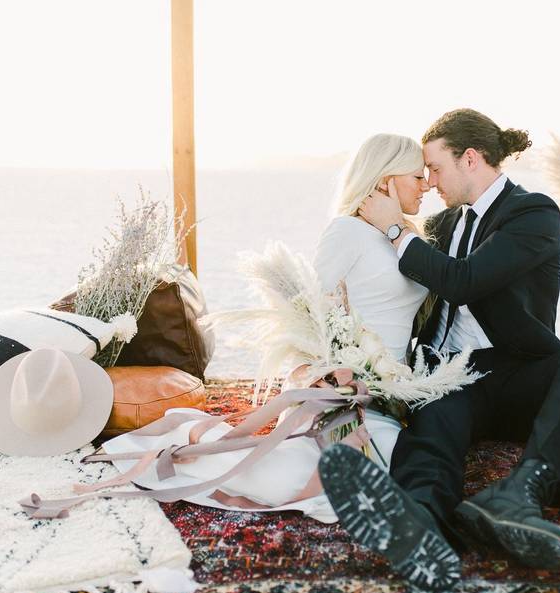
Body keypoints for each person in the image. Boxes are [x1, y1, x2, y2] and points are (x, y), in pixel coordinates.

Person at [318, 109, 560, 591]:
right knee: (432, 428)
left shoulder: (532, 214)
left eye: (436, 169)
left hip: (513, 374)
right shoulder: (444, 223)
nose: (429, 181)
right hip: (447, 375)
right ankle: (420, 524)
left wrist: (394, 228)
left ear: (470, 159)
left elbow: (464, 283)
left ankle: (523, 491)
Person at [101, 133, 432, 523]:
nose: (426, 185)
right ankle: (189, 442)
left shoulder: (406, 236)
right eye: (417, 176)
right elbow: (312, 314)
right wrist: (326, 373)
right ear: (384, 180)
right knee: (301, 477)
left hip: (393, 391)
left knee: (393, 465)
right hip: (345, 389)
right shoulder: (348, 231)